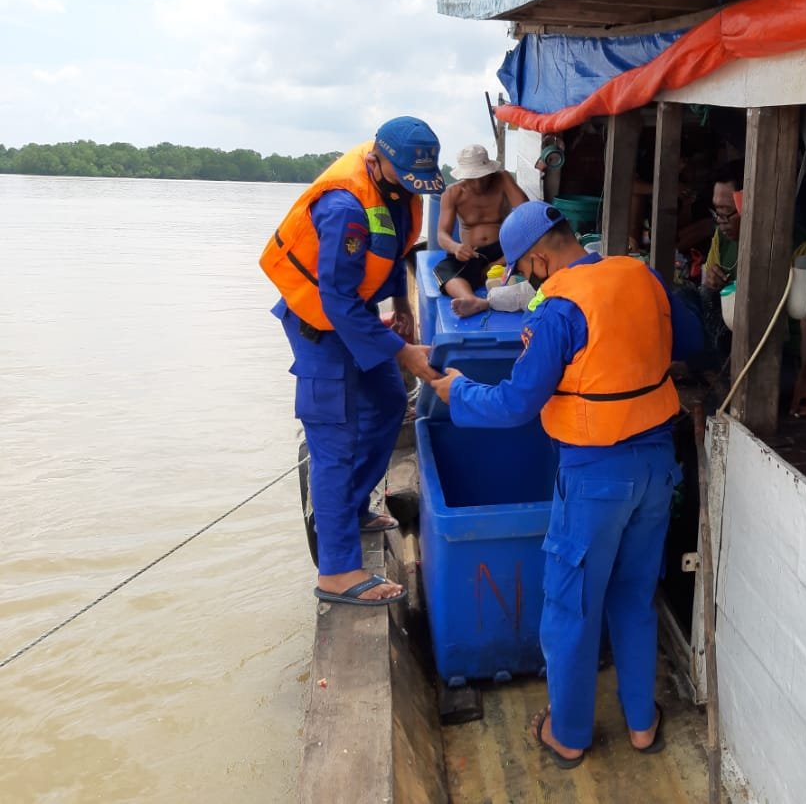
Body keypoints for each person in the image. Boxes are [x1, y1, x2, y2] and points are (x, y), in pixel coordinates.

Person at [429, 202, 702, 768]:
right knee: (633, 597)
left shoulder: (557, 311)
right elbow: (693, 341)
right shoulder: (639, 273)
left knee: (570, 607)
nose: (529, 282)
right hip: (657, 468)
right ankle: (642, 724)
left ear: (537, 257)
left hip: (595, 478)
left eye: (525, 271)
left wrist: (458, 393)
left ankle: (570, 734)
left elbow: (513, 404)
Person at [260, 116, 443, 606]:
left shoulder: (397, 188)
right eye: (407, 178)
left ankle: (357, 506)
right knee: (334, 438)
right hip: (318, 323)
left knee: (387, 405)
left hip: (354, 315)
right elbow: (336, 301)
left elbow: (391, 254)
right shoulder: (344, 208)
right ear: (379, 161)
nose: (412, 188)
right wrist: (405, 352)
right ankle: (338, 572)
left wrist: (402, 307)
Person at [700, 160, 806, 417]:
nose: (721, 222)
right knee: (690, 297)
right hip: (730, 340)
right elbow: (707, 289)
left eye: (728, 212)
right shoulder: (722, 237)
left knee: (733, 390)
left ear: (750, 205)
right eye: (717, 213)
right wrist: (710, 280)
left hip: (777, 354)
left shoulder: (801, 247)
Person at [434, 144, 529, 317]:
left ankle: (504, 268)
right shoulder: (452, 193)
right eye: (472, 178)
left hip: (504, 247)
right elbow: (441, 235)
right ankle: (471, 300)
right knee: (443, 270)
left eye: (482, 176)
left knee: (531, 249)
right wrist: (456, 248)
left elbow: (526, 211)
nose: (478, 184)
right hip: (473, 254)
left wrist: (503, 260)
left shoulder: (502, 180)